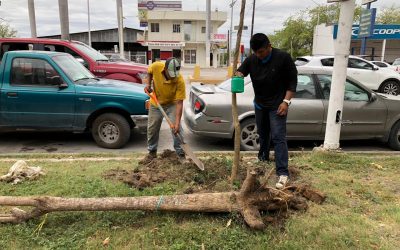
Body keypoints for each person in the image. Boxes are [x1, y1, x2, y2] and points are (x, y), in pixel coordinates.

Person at [236, 33, 297, 189]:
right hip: (260, 105)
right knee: (262, 134)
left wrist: (286, 102)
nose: (259, 55)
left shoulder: (283, 58)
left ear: (269, 46)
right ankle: (263, 158)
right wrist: (238, 75)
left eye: (261, 52)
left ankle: (283, 172)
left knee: (278, 137)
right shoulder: (252, 59)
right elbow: (241, 71)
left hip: (278, 105)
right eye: (256, 52)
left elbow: (292, 83)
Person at [141, 57, 186, 163]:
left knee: (177, 129)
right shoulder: (156, 66)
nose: (172, 77)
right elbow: (149, 72)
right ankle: (152, 152)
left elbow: (179, 102)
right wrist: (148, 84)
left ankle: (181, 154)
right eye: (170, 74)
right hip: (155, 103)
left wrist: (177, 123)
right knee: (152, 128)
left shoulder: (179, 80)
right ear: (165, 69)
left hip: (171, 104)